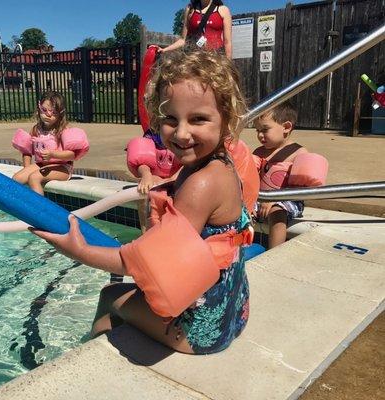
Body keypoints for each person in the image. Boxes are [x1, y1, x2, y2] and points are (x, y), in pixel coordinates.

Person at [32, 49, 253, 355]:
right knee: (130, 299)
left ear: (226, 119)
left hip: (201, 329)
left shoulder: (202, 183)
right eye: (170, 119)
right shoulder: (221, 165)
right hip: (232, 308)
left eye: (198, 119)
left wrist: (79, 251)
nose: (182, 133)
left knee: (111, 296)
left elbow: (146, 264)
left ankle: (86, 365)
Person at [252, 102, 327, 249]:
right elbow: (251, 180)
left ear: (286, 127)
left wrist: (273, 200)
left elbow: (298, 190)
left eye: (265, 129)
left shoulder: (298, 153)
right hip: (261, 198)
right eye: (257, 130)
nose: (260, 135)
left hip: (287, 200)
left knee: (277, 211)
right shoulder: (259, 152)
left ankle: (274, 251)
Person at [12, 91, 89, 195]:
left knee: (34, 178)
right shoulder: (36, 130)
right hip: (41, 165)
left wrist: (53, 154)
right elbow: (27, 151)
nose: (48, 115)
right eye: (44, 110)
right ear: (39, 109)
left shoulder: (62, 131)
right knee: (16, 179)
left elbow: (72, 155)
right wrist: (27, 168)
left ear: (60, 114)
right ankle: (18, 207)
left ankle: (40, 209)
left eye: (53, 112)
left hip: (62, 168)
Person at [159, 0, 233, 58]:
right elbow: (183, 40)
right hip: (195, 59)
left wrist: (228, 65)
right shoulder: (190, 9)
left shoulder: (223, 10)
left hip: (217, 58)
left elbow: (227, 42)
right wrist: (164, 50)